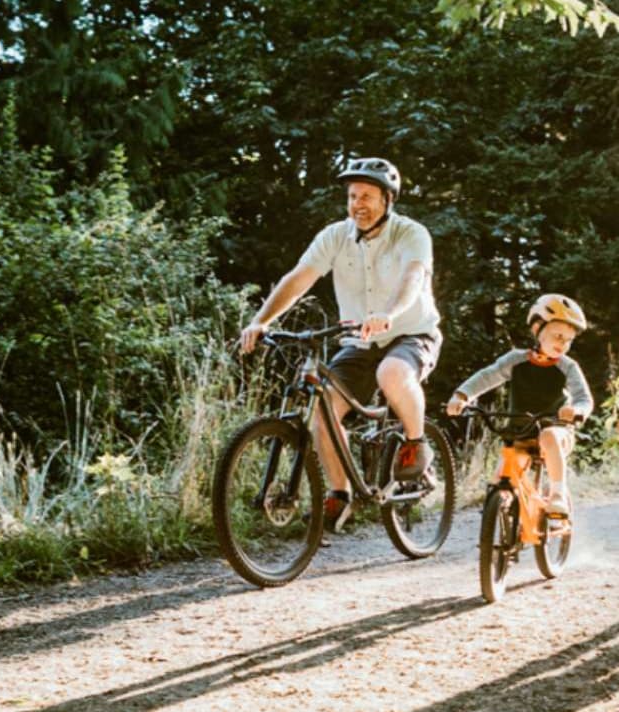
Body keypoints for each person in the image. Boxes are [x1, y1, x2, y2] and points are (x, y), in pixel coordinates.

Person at [237, 156, 442, 533]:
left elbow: (413, 278)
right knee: (321, 411)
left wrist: (390, 314)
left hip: (411, 332)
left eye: (367, 196)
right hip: (359, 340)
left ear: (387, 200)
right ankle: (339, 494)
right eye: (352, 196)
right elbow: (299, 279)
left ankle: (416, 444)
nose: (357, 205)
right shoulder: (335, 236)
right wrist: (261, 320)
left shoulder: (412, 234)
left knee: (393, 373)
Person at [446, 294, 594, 517]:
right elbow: (488, 376)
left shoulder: (567, 367)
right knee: (500, 479)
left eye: (569, 340)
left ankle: (557, 495)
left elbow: (584, 398)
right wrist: (462, 395)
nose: (563, 344)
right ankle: (498, 538)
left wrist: (576, 411)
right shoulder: (516, 360)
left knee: (549, 437)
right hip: (521, 433)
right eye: (558, 336)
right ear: (537, 330)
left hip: (557, 430)